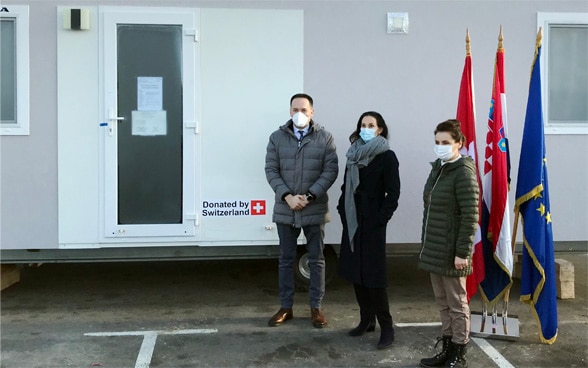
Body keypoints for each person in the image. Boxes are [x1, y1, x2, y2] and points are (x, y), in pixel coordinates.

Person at [265, 93, 339, 329]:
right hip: (285, 208)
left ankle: (316, 309)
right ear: (289, 111)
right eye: (295, 109)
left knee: (316, 260)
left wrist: (308, 196)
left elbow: (330, 171)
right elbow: (271, 170)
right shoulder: (277, 138)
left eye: (304, 109)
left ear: (312, 112)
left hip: (313, 207)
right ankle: (286, 307)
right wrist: (287, 196)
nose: (300, 113)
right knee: (286, 260)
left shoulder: (325, 138)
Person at [418, 119, 479, 368]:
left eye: (446, 142)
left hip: (454, 252)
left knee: (457, 304)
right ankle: (447, 347)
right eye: (437, 142)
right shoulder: (438, 169)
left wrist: (462, 252)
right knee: (443, 303)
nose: (441, 147)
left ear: (459, 144)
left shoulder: (463, 172)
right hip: (435, 249)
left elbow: (470, 215)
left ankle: (459, 352)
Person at [337, 111, 401, 350]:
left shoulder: (387, 157)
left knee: (374, 276)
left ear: (380, 129)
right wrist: (343, 210)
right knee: (356, 272)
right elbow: (346, 185)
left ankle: (387, 326)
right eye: (363, 125)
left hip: (372, 222)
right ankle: (367, 319)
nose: (366, 128)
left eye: (371, 125)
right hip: (353, 220)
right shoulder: (352, 155)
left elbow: (393, 193)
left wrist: (380, 219)